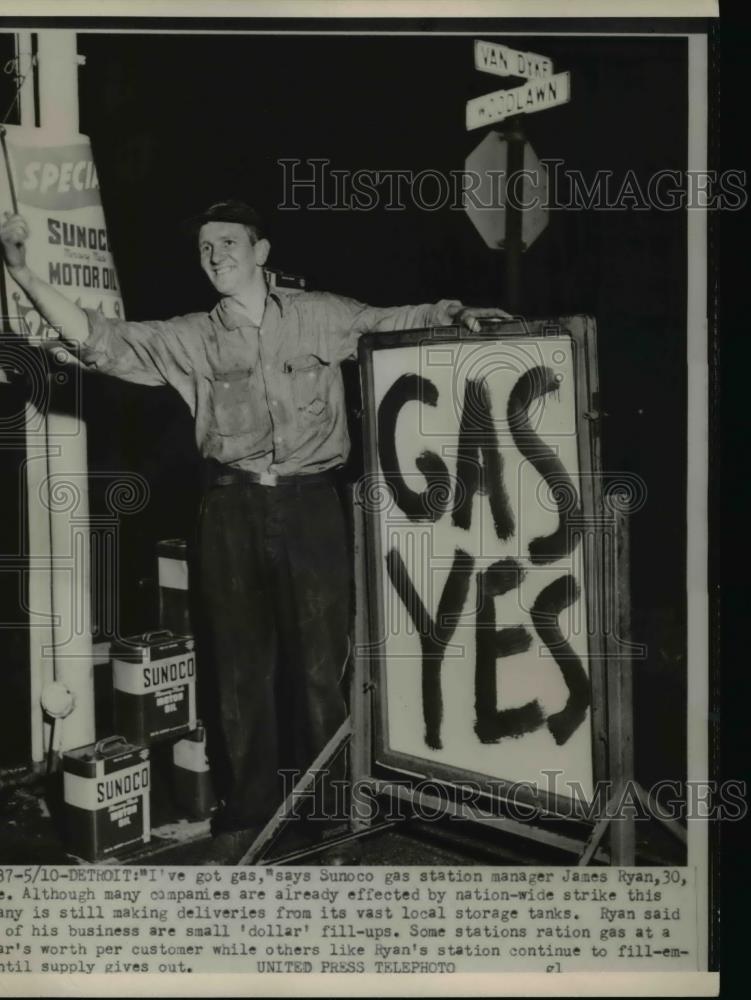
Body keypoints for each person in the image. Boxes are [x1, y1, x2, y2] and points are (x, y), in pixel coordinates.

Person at [0, 201, 509, 864]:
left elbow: (390, 322)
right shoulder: (191, 336)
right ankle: (247, 816)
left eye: (230, 242)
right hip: (230, 512)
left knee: (322, 671)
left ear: (261, 252)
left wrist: (456, 314)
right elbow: (103, 340)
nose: (216, 255)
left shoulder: (317, 315)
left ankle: (330, 821)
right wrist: (22, 272)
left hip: (311, 507)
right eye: (206, 246)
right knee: (240, 673)